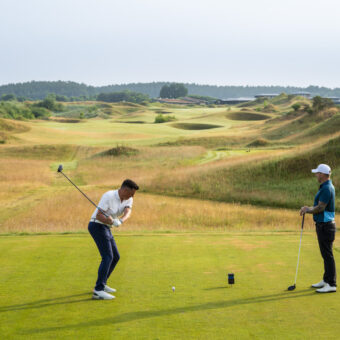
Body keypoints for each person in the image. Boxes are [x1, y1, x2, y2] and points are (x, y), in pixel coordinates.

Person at [88, 179, 139, 300]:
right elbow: (98, 216)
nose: (132, 197)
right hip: (97, 225)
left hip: (106, 227)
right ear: (125, 190)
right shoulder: (109, 196)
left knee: (116, 257)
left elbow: (128, 211)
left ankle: (103, 283)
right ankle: (98, 290)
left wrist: (120, 220)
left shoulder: (128, 198)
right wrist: (110, 221)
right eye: (131, 194)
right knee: (108, 256)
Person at [300, 164, 336, 293]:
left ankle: (331, 284)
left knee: (327, 255)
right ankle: (326, 280)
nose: (316, 175)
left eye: (317, 173)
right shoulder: (325, 187)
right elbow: (318, 206)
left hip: (326, 226)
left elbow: (320, 208)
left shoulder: (327, 188)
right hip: (323, 225)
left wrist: (307, 210)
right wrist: (308, 208)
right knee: (325, 254)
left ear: (322, 174)